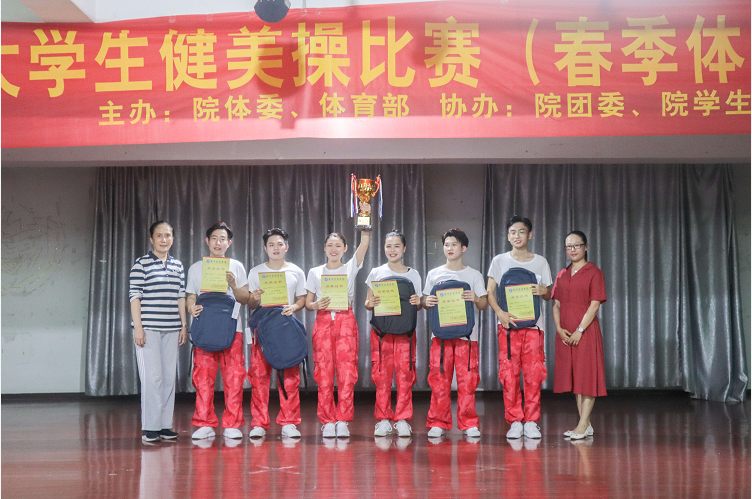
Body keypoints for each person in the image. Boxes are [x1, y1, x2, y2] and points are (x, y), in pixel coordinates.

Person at [486, 216, 552, 440]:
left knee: (534, 374)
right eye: (513, 232)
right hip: (508, 327)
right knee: (509, 374)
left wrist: (543, 290)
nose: (517, 236)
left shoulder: (540, 262)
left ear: (529, 235)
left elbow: (549, 294)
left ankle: (531, 421)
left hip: (534, 328)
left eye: (521, 232)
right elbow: (489, 292)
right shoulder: (499, 261)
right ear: (508, 236)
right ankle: (514, 420)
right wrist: (500, 312)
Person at [305, 224, 372, 438]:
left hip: (345, 320)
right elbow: (308, 303)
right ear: (324, 248)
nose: (333, 249)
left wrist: (365, 222)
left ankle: (342, 419)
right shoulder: (315, 272)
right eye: (330, 245)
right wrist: (315, 305)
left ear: (345, 248)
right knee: (324, 373)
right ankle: (327, 420)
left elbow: (364, 244)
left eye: (338, 245)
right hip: (323, 320)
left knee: (346, 371)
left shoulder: (350, 267)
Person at [186, 222, 250, 440]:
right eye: (214, 238)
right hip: (204, 327)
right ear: (207, 241)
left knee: (234, 377)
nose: (218, 242)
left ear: (229, 243)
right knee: (203, 377)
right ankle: (204, 423)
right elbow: (191, 296)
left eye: (223, 239)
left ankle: (232, 423)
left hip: (232, 329)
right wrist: (190, 307)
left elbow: (244, 298)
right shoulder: (196, 267)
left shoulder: (236, 266)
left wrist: (233, 285)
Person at [422, 228, 488, 438]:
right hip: (440, 338)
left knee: (468, 381)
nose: (449, 248)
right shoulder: (434, 274)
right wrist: (426, 301)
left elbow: (484, 304)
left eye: (454, 244)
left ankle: (469, 423)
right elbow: (424, 300)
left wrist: (476, 298)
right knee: (439, 381)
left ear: (464, 248)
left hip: (466, 338)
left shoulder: (474, 274)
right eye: (446, 245)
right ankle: (437, 422)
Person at [129, 220, 187, 442]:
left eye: (168, 235)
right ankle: (150, 428)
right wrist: (139, 328)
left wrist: (183, 325)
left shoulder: (177, 265)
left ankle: (164, 426)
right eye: (159, 236)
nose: (164, 240)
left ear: (173, 238)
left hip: (172, 329)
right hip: (149, 329)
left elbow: (181, 296)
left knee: (168, 379)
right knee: (152, 378)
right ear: (151, 239)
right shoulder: (141, 264)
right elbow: (135, 297)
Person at [247, 228, 307, 439]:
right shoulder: (255, 272)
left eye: (279, 244)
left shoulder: (296, 271)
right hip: (262, 328)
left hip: (285, 327)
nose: (275, 248)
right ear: (265, 248)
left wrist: (294, 307)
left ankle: (289, 422)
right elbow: (251, 303)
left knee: (289, 377)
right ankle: (259, 423)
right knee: (259, 376)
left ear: (286, 247)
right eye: (271, 244)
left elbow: (301, 299)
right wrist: (254, 298)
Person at [364, 230, 422, 438]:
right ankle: (383, 419)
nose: (392, 250)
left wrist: (418, 302)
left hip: (406, 333)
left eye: (397, 246)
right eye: (388, 246)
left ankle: (403, 419)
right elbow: (367, 303)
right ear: (384, 248)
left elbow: (419, 304)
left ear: (404, 248)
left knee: (405, 375)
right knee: (382, 377)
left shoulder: (413, 274)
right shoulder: (376, 272)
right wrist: (370, 303)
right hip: (382, 334)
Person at [552, 230, 607, 439]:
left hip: (585, 332)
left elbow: (594, 305)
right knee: (576, 378)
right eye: (569, 246)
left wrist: (580, 330)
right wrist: (559, 328)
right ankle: (585, 424)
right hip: (565, 334)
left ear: (586, 247)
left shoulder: (594, 272)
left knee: (587, 377)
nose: (572, 250)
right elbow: (556, 304)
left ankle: (583, 424)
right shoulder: (562, 274)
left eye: (577, 245)